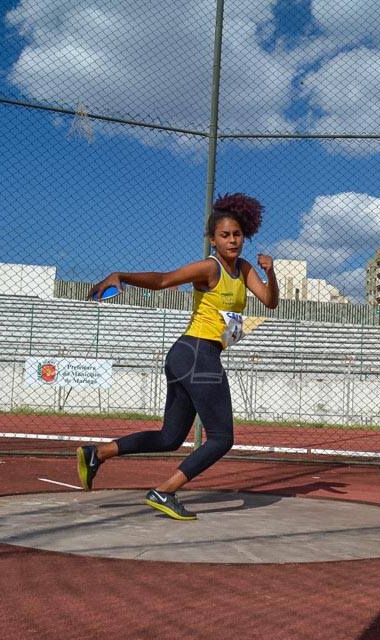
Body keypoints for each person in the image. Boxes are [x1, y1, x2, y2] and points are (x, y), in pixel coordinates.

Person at [76, 193, 279, 520]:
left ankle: (96, 453)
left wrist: (272, 273)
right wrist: (122, 276)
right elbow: (164, 280)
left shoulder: (244, 269)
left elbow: (269, 302)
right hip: (198, 354)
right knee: (222, 438)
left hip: (187, 355)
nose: (232, 240)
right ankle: (164, 491)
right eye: (224, 235)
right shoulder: (208, 268)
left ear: (246, 235)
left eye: (237, 234)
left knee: (170, 437)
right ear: (212, 240)